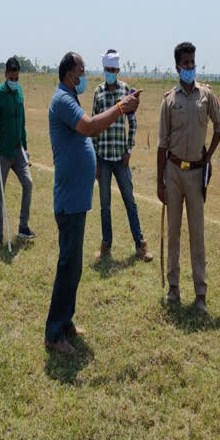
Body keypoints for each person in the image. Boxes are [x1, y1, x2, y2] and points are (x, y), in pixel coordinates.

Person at [45, 52, 142, 353]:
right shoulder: (62, 100)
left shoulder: (70, 98)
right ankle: (54, 333)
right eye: (82, 71)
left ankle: (66, 321)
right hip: (69, 197)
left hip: (77, 198)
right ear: (70, 73)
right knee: (67, 265)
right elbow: (88, 127)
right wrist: (119, 108)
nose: (85, 76)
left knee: (74, 266)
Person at [157, 42, 220, 314]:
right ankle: (173, 287)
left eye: (192, 62)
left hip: (196, 173)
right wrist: (159, 180)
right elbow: (162, 143)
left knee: (197, 234)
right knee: (173, 232)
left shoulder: (206, 95)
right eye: (185, 63)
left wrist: (208, 158)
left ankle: (200, 293)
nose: (190, 67)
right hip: (172, 172)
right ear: (177, 67)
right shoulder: (169, 100)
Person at [92, 49, 152, 262]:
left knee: (130, 201)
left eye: (114, 70)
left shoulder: (126, 90)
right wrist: (95, 161)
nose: (111, 72)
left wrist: (129, 150)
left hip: (120, 159)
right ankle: (106, 246)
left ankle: (141, 245)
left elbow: (132, 122)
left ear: (118, 70)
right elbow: (93, 126)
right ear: (104, 69)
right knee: (105, 205)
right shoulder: (97, 93)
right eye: (108, 69)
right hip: (103, 159)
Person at [0, 56, 34, 246]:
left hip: (18, 149)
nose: (14, 82)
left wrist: (25, 146)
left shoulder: (19, 91)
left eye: (16, 78)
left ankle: (23, 227)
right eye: (11, 78)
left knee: (28, 183)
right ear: (5, 74)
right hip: (2, 152)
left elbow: (22, 122)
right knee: (0, 193)